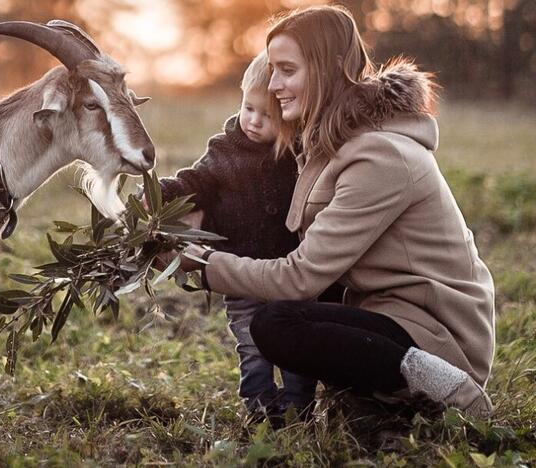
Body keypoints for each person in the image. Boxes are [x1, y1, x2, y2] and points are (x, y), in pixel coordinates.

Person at [172, 5, 495, 418]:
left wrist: (202, 265)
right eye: (271, 70)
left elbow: (301, 276)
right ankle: (388, 398)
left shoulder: (379, 156)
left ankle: (447, 389)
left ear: (330, 68)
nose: (273, 85)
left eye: (286, 70)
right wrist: (197, 217)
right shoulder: (327, 144)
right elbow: (260, 208)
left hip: (436, 334)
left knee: (276, 324)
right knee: (288, 323)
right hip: (383, 317)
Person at [157, 50, 337, 421]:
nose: (254, 121)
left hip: (288, 275)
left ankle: (298, 408)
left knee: (295, 349)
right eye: (248, 108)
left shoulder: (297, 153)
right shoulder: (224, 151)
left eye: (267, 115)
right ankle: (258, 409)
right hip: (238, 274)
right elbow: (196, 181)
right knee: (252, 348)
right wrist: (163, 192)